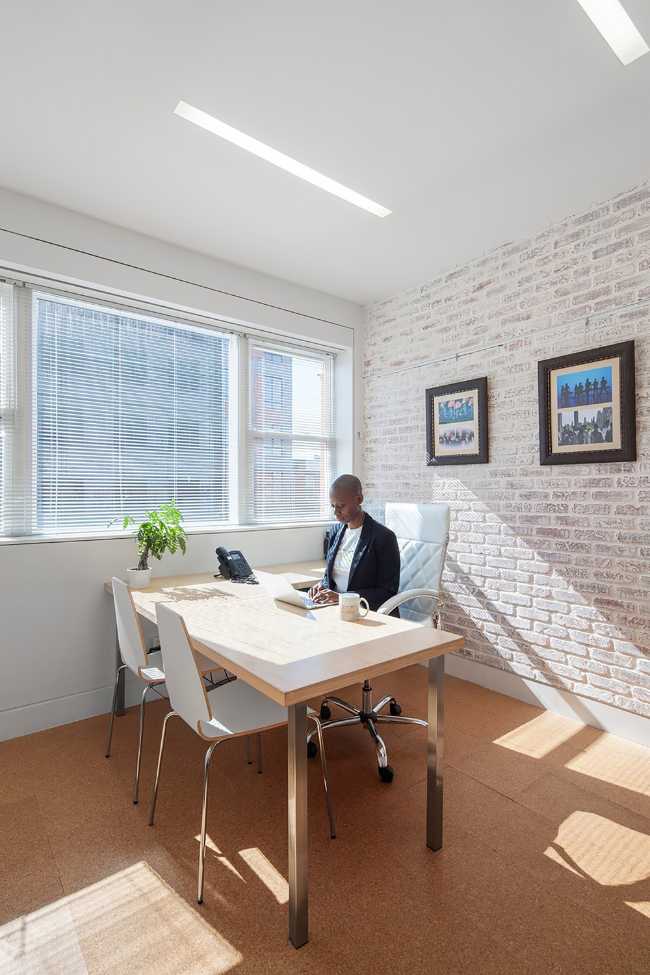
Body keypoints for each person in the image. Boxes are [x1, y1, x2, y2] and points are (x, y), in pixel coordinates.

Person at [308, 474, 401, 611]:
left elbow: (387, 592)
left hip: (365, 611)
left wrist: (342, 597)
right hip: (335, 608)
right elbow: (332, 577)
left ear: (359, 499)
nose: (336, 512)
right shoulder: (335, 532)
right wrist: (322, 585)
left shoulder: (383, 537)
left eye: (341, 506)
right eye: (332, 506)